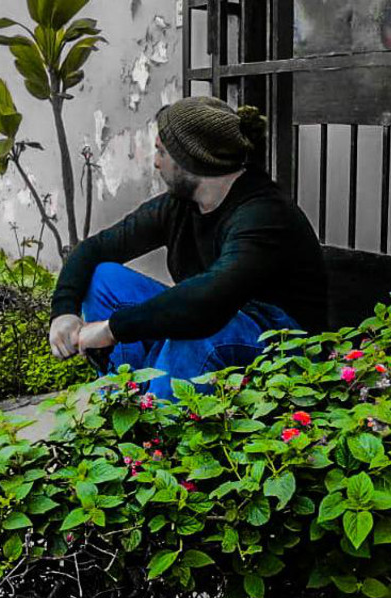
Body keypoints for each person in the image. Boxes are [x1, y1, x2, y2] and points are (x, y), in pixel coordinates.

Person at [48, 96, 327, 399]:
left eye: (161, 151)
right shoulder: (180, 206)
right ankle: (126, 396)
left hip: (280, 344)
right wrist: (64, 312)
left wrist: (111, 329)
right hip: (211, 321)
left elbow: (208, 301)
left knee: (194, 330)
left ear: (190, 160)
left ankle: (154, 419)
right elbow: (94, 249)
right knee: (103, 278)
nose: (156, 162)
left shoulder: (263, 214)